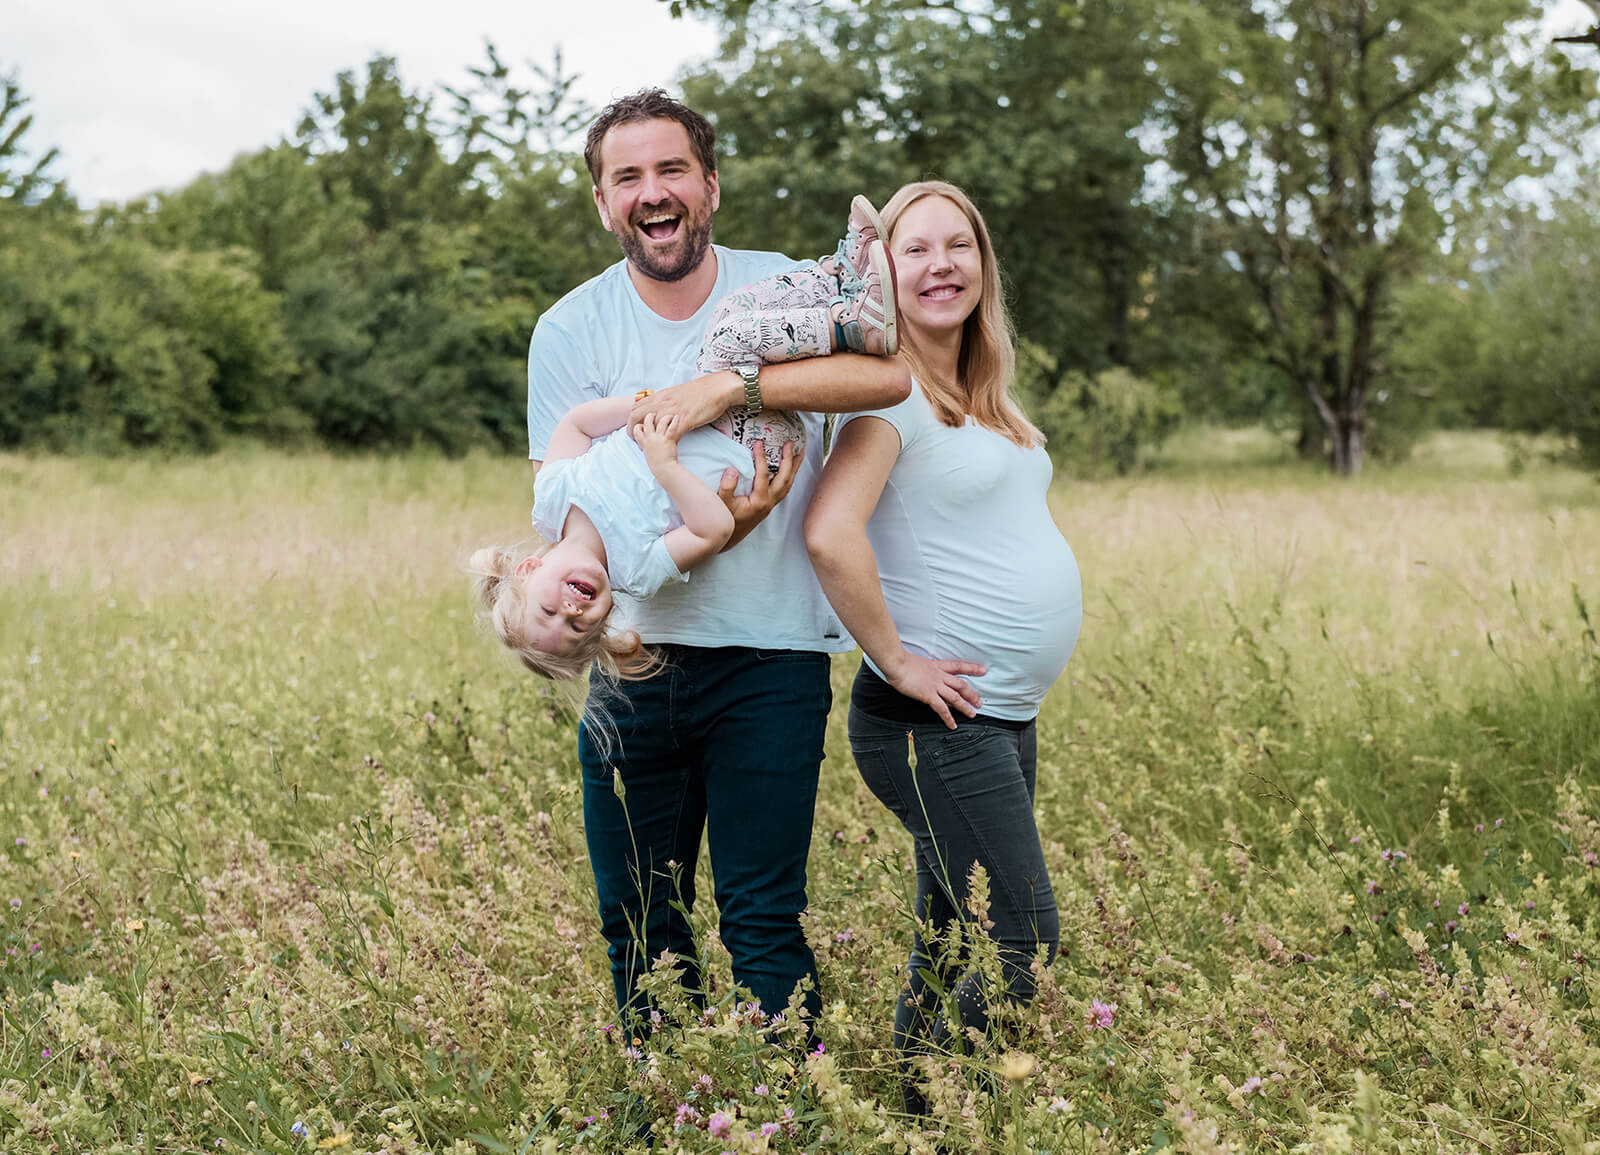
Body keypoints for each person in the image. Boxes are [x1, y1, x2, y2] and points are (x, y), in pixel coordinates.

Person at [526, 88, 912, 1032]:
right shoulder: (570, 329)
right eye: (627, 177)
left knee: (763, 919)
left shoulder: (775, 286)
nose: (651, 193)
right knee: (638, 922)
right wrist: (716, 525)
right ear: (602, 202)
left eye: (670, 171)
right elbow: (573, 516)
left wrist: (718, 391)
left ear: (710, 186)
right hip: (635, 666)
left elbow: (883, 372)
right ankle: (672, 1107)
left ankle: (792, 1115)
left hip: (770, 659)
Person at [804, 180, 1083, 1113]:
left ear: (981, 264)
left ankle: (913, 1117)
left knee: (951, 933)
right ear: (883, 268)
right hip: (932, 717)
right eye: (914, 249)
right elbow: (830, 532)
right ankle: (936, 1104)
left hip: (1001, 712)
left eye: (957, 246)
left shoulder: (981, 393)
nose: (939, 266)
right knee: (1027, 938)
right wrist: (899, 659)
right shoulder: (889, 397)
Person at [475, 206, 898, 681]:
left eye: (549, 612)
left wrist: (642, 405)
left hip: (721, 415)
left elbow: (574, 425)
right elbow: (712, 530)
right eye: (579, 629)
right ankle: (852, 323)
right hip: (755, 450)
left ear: (528, 570)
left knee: (739, 315)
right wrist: (664, 464)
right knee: (728, 342)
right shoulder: (635, 573)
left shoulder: (552, 502)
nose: (571, 612)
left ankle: (840, 283)